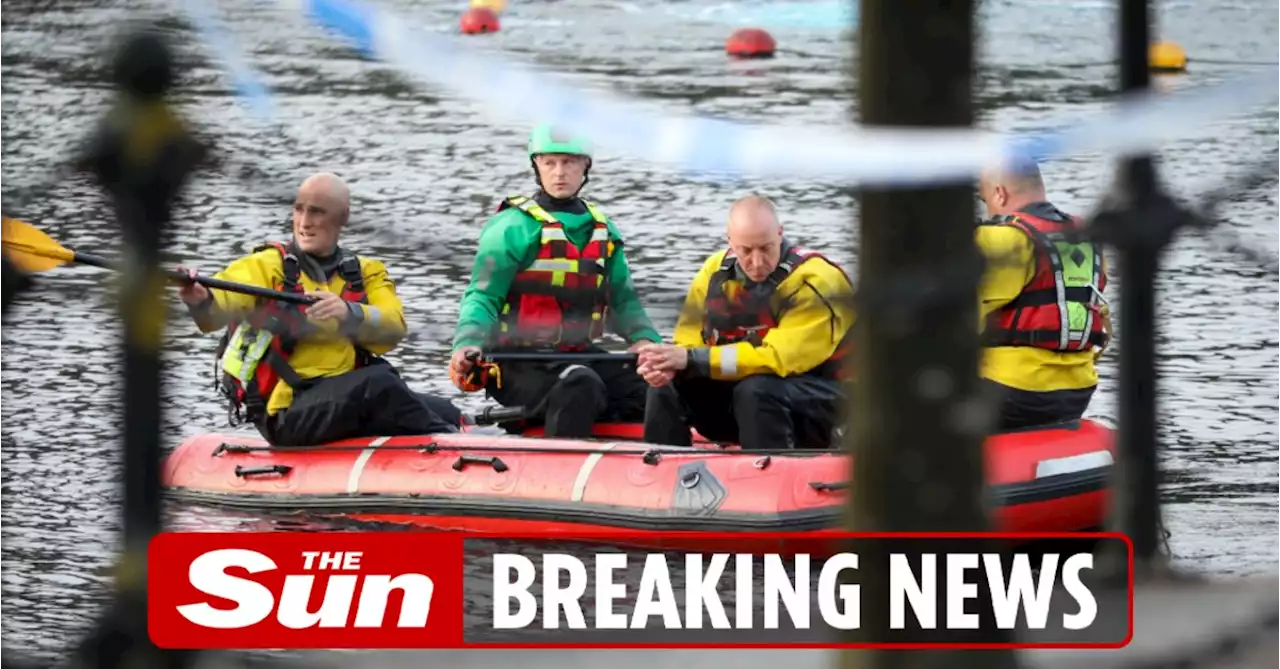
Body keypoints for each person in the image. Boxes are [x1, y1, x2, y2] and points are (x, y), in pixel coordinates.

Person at [179, 172, 462, 446]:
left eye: (317, 212)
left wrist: (349, 313)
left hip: (344, 399)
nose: (304, 223)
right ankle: (454, 449)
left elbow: (393, 329)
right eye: (299, 210)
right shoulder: (268, 266)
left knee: (445, 409)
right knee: (379, 384)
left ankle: (457, 442)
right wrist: (198, 296)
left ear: (343, 217)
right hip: (288, 411)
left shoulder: (366, 273)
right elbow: (216, 309)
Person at [447, 123, 662, 438]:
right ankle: (559, 465)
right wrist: (467, 343)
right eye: (550, 162)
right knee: (579, 382)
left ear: (585, 165)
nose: (559, 172)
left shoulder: (604, 230)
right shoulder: (511, 227)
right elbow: (483, 297)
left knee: (654, 383)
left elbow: (624, 301)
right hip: (515, 363)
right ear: (536, 165)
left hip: (577, 354)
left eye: (569, 162)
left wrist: (647, 343)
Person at [638, 195, 856, 451]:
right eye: (746, 251)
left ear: (780, 234)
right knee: (668, 385)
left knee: (757, 390)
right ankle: (659, 469)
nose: (757, 262)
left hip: (830, 405)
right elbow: (688, 343)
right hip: (753, 403)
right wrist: (665, 366)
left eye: (766, 248)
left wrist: (692, 359)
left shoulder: (816, 281)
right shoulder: (714, 274)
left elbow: (777, 360)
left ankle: (771, 472)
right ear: (730, 242)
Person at [975, 158, 1111, 430]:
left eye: (985, 198)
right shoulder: (1087, 237)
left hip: (1010, 394)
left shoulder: (1003, 239)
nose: (988, 208)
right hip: (1077, 393)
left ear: (999, 193)